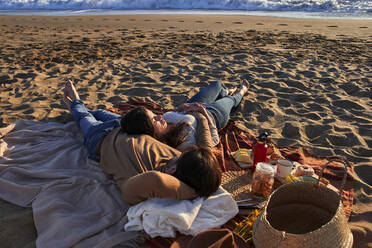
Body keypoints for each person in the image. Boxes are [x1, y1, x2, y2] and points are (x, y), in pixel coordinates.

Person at [63, 80, 222, 205]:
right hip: (125, 126)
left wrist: (191, 192)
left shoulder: (144, 182)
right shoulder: (183, 160)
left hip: (101, 140)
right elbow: (205, 149)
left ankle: (75, 103)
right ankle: (80, 107)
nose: (180, 154)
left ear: (174, 169)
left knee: (84, 117)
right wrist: (200, 117)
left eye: (180, 158)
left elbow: (154, 180)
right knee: (99, 113)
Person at [120, 80, 249, 151]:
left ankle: (225, 92)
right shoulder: (182, 142)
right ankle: (241, 92)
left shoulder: (162, 123)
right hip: (213, 115)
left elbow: (176, 111)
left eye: (154, 114)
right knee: (231, 102)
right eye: (155, 120)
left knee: (216, 84)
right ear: (150, 132)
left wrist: (183, 107)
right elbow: (213, 140)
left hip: (192, 105)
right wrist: (203, 115)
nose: (160, 116)